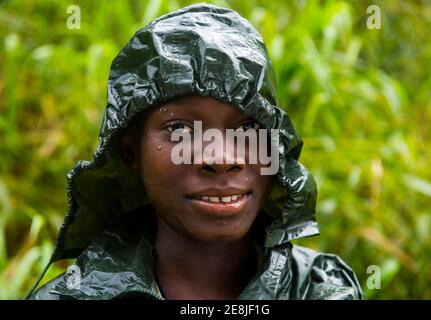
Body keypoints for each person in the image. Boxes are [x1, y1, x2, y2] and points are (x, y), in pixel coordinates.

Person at [26, 3, 363, 300]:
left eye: (247, 128)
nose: (221, 160)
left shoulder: (319, 289)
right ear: (131, 151)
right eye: (180, 130)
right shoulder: (74, 297)